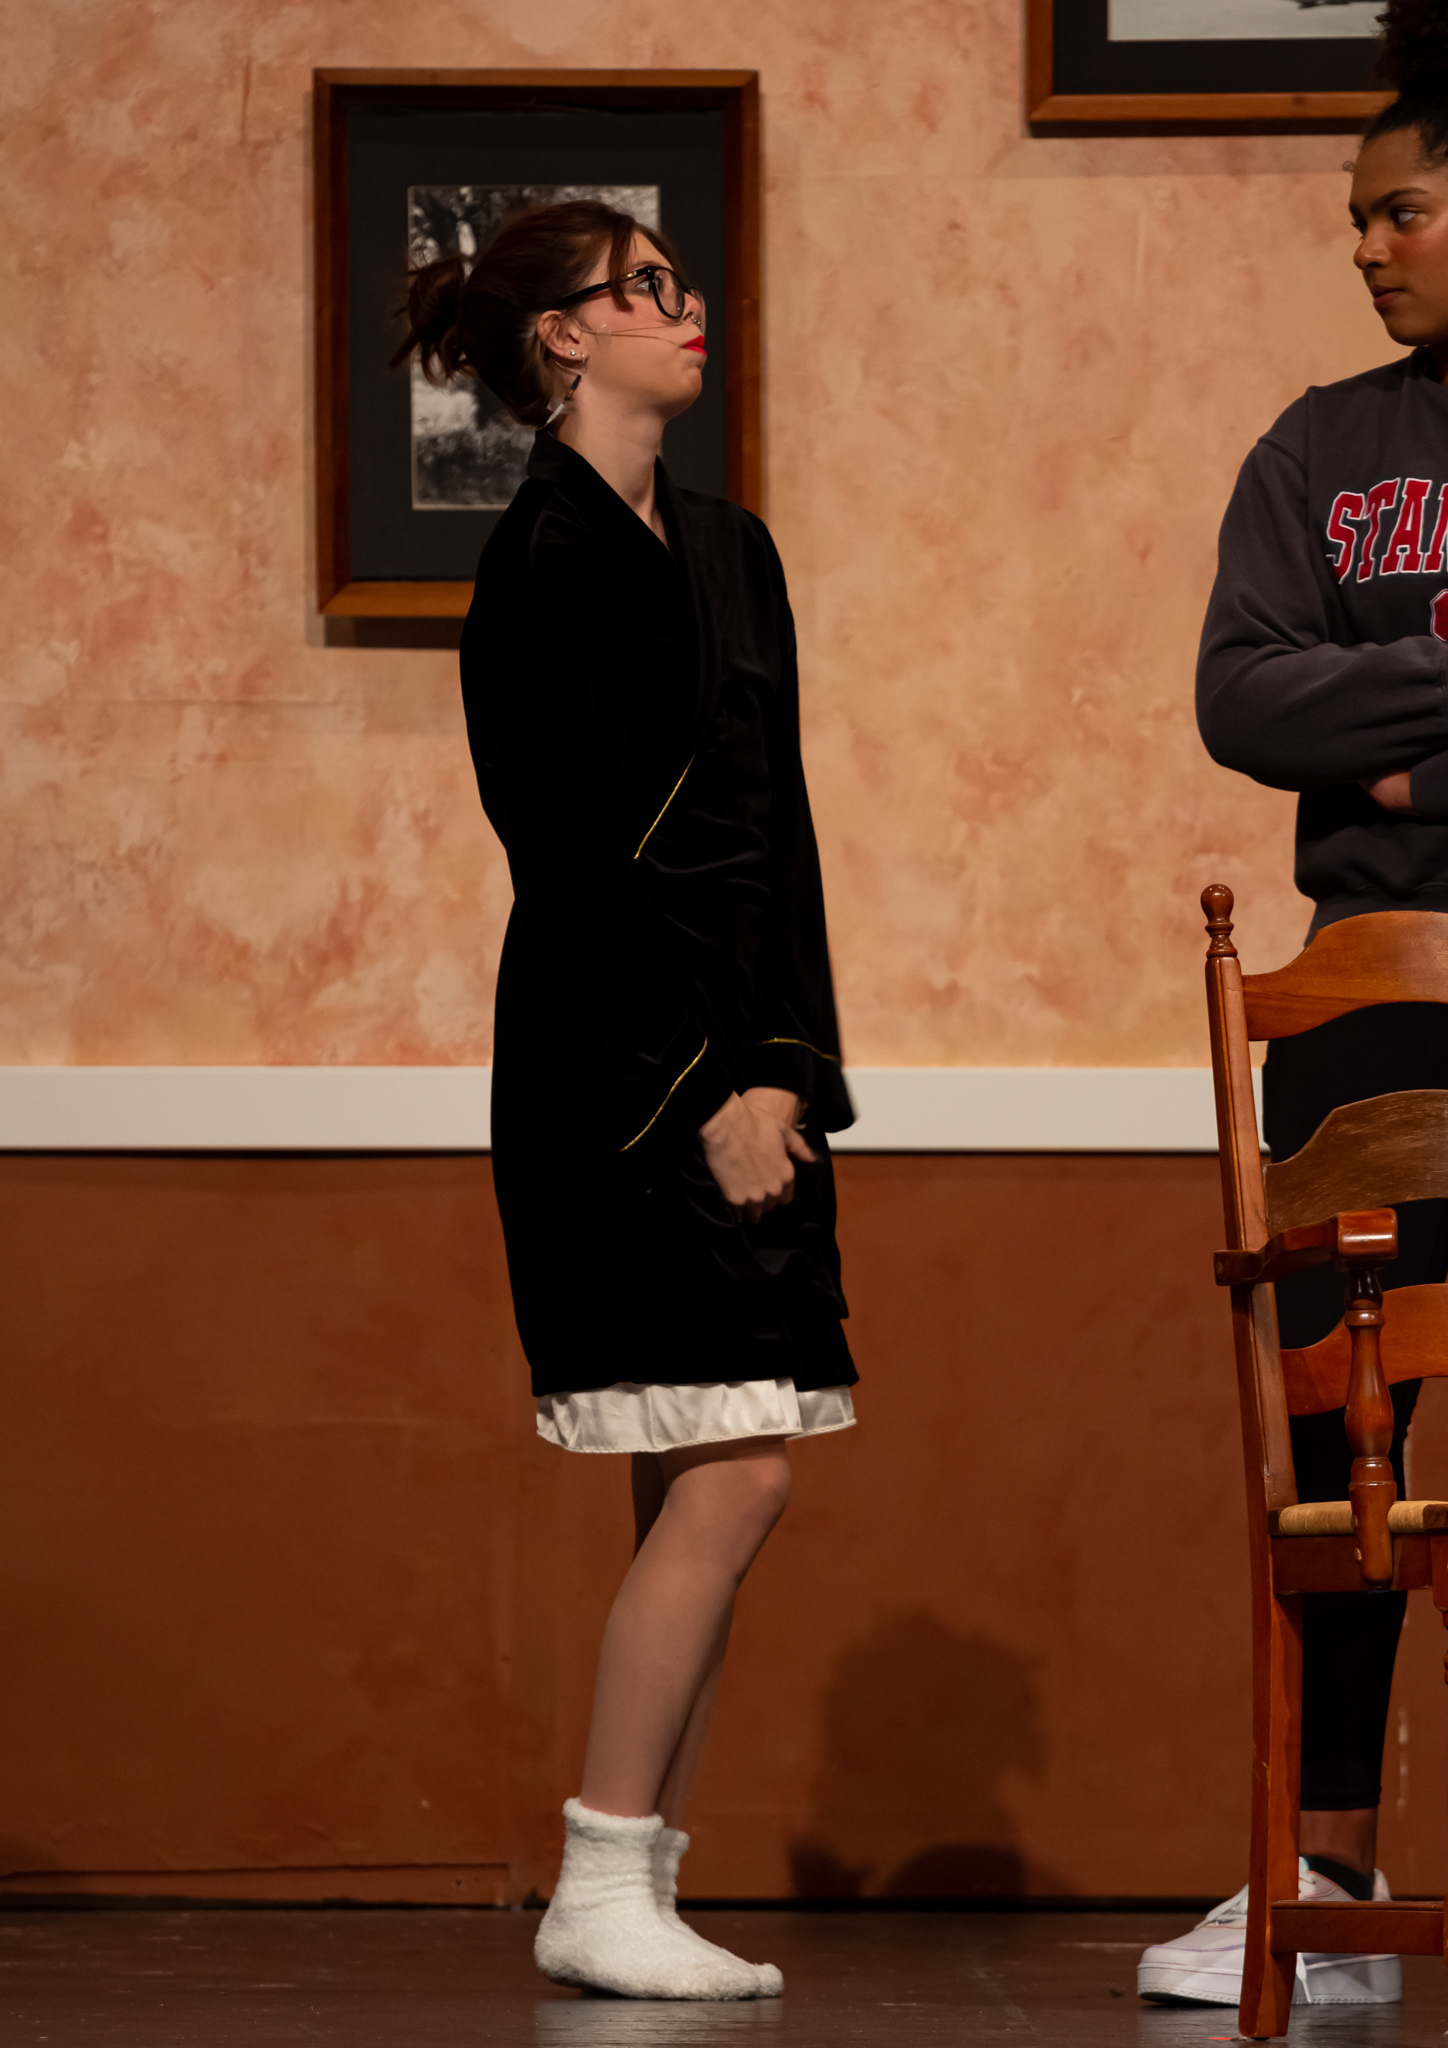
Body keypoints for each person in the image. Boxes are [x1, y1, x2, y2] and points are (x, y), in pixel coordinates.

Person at [392, 200, 857, 2000]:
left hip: (749, 1069)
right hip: (618, 1076)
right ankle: (599, 1879)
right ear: (563, 340)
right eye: (643, 288)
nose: (685, 306)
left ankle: (639, 1884)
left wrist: (788, 1068)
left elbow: (778, 832)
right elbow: (578, 866)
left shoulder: (734, 549)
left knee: (705, 1475)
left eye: (680, 280)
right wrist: (705, 1085)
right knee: (738, 1471)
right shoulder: (539, 564)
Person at [1140, 0, 1448, 2008]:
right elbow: (1243, 696)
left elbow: (1326, 715)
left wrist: (1402, 750)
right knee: (1348, 1447)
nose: (1364, 245)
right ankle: (1327, 1881)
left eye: (1400, 209)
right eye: (1357, 217)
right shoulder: (1323, 447)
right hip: (1372, 1000)